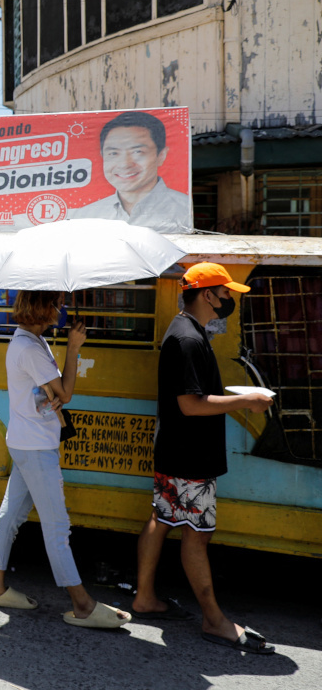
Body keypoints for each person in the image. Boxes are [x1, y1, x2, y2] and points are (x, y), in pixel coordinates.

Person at [132, 263, 276, 653]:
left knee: (161, 519)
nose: (229, 299)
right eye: (225, 292)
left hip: (175, 450)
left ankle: (144, 597)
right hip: (190, 456)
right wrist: (246, 400)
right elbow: (191, 405)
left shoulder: (186, 331)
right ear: (207, 295)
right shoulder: (188, 339)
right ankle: (214, 620)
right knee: (198, 535)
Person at [0, 291, 131, 629]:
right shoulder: (31, 348)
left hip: (26, 441)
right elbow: (65, 393)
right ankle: (82, 604)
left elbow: (49, 392)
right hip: (35, 447)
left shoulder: (29, 341)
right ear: (42, 307)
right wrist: (74, 348)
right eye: (57, 305)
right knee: (57, 526)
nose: (61, 311)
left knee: (11, 514)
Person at [69, 110, 192, 232]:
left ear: (161, 155)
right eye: (113, 153)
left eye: (137, 152)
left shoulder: (184, 209)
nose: (125, 164)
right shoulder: (86, 216)